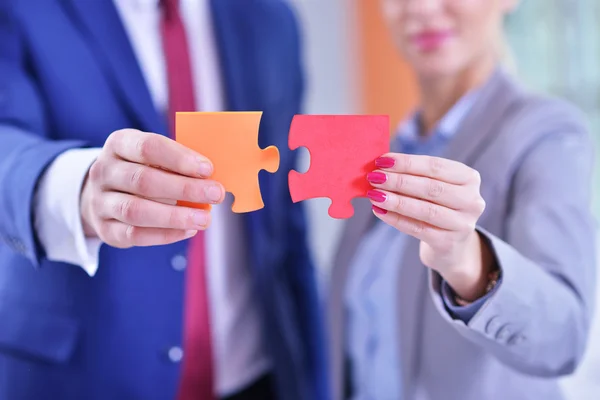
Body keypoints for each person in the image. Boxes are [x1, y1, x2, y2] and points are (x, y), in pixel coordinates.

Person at [0, 1, 328, 400]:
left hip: (257, 374)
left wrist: (315, 380)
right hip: (85, 378)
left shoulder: (269, 17)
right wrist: (77, 187)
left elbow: (286, 224)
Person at [327, 1, 597, 399]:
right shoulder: (382, 156)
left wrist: (469, 261)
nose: (421, 8)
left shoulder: (547, 134)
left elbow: (564, 338)